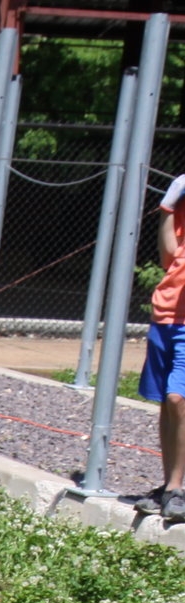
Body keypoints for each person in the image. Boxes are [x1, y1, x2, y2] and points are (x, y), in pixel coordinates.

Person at [132, 174, 185, 523]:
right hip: (165, 316)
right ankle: (169, 487)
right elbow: (170, 258)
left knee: (178, 398)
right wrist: (168, 205)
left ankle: (177, 489)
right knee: (167, 405)